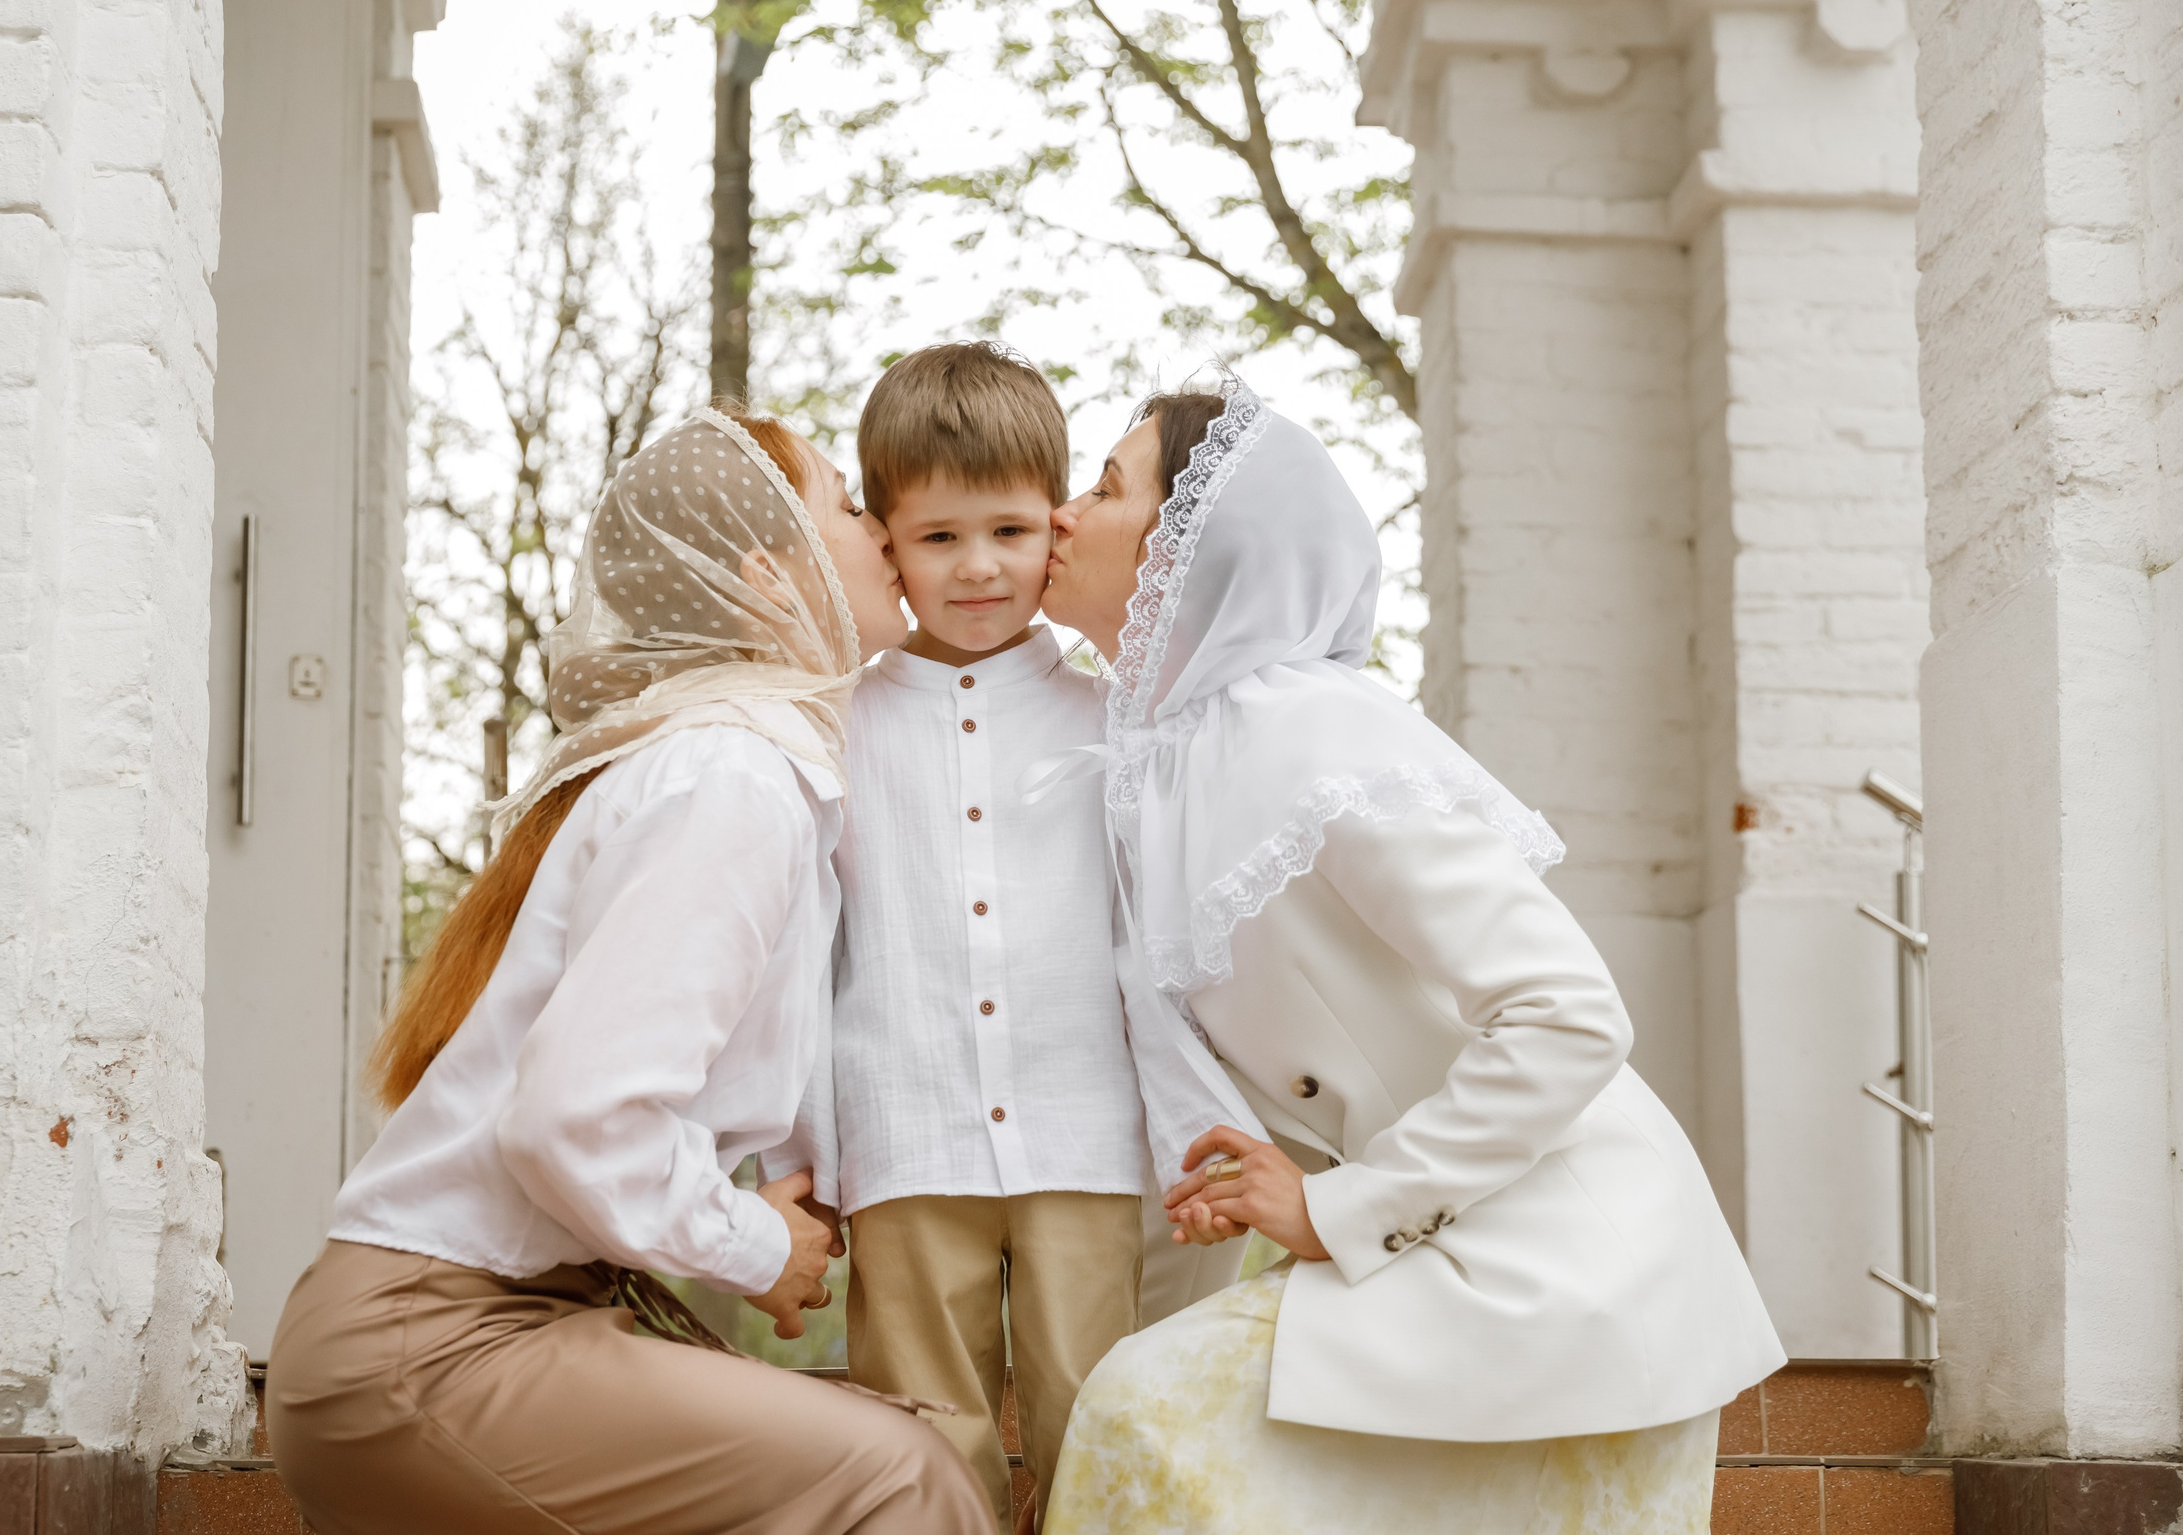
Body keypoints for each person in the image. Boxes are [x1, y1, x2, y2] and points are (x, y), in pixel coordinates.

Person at [1035, 382, 1786, 1533]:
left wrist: (1345, 1208)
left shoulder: (1307, 732)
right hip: (1443, 1255)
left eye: (1103, 488)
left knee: (1141, 1412)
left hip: (1572, 1263)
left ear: (1193, 550)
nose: (1059, 514)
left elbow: (1568, 1015)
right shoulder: (1160, 771)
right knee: (1141, 1405)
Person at [264, 408, 993, 1535]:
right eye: (849, 508)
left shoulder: (722, 759)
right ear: (767, 577)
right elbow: (575, 1120)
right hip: (433, 1350)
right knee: (898, 1475)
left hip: (466, 1333)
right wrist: (757, 1246)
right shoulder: (732, 777)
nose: (887, 535)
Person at [761, 344, 1263, 1532]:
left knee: (1097, 1419)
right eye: (937, 539)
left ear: (1053, 527)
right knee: (922, 1437)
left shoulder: (1116, 726)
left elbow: (1150, 950)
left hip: (1081, 1137)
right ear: (885, 539)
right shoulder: (833, 729)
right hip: (903, 1135)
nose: (978, 567)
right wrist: (801, 1157)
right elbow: (805, 955)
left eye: (1009, 531)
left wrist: (1195, 1125)